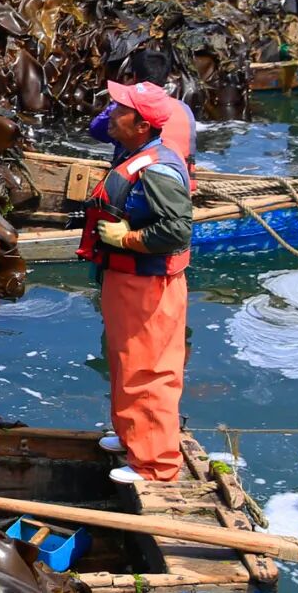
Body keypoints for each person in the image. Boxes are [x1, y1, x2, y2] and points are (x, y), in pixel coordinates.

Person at [78, 81, 193, 486]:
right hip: (125, 280)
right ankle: (133, 438)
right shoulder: (135, 152)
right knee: (125, 362)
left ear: (142, 124)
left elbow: (177, 231)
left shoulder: (158, 168)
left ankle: (156, 466)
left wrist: (126, 239)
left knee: (150, 370)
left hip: (149, 285)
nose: (110, 112)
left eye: (119, 108)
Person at [89, 43, 197, 189]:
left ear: (133, 77)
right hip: (184, 183)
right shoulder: (184, 108)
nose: (116, 112)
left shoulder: (131, 108)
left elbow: (96, 129)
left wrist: (123, 98)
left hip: (143, 183)